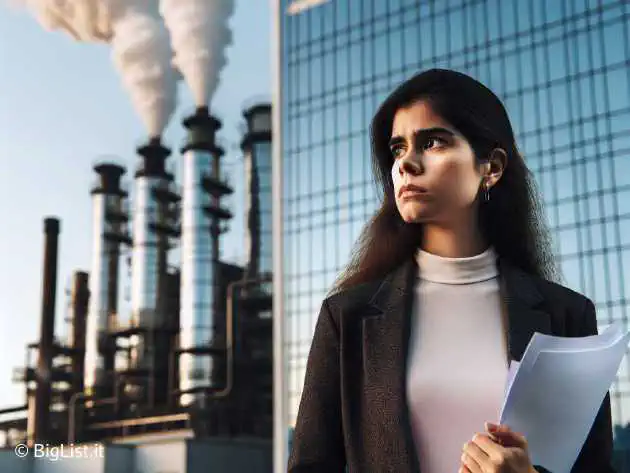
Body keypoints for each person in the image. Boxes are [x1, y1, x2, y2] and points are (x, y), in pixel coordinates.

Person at [287, 69, 616, 473]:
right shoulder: (347, 318)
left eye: (432, 142)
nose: (406, 162)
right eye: (397, 148)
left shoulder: (568, 315)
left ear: (491, 167)